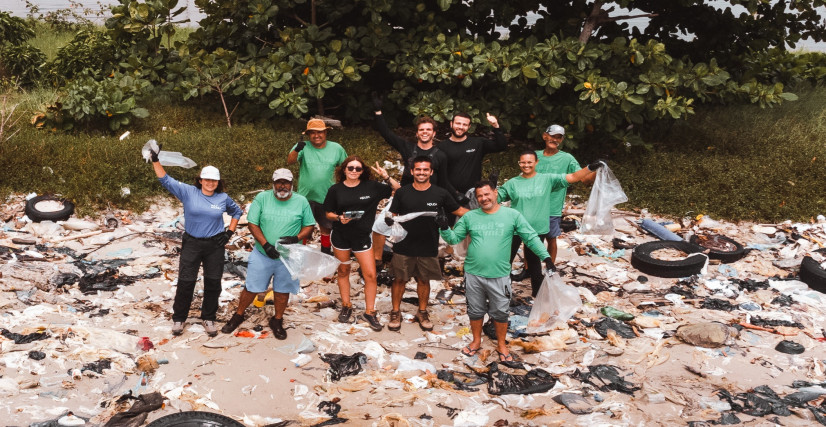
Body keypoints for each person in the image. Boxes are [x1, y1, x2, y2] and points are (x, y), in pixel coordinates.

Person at [439, 181, 550, 362]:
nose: (483, 199)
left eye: (486, 194)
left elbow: (530, 237)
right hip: (473, 274)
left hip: (499, 274)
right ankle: (476, 341)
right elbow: (454, 238)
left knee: (500, 312)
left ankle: (501, 344)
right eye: (480, 196)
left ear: (495, 193)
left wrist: (546, 258)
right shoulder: (470, 217)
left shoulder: (512, 215)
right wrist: (443, 227)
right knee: (475, 311)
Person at [148, 144, 242, 337]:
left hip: (215, 244)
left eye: (214, 180)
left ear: (218, 182)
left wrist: (229, 233)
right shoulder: (188, 192)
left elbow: (237, 212)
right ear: (200, 180)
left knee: (213, 282)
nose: (210, 183)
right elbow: (165, 180)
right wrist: (155, 160)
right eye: (207, 179)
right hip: (192, 242)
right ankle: (179, 319)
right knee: (186, 281)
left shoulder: (223, 198)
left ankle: (209, 318)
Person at [220, 169, 315, 340]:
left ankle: (277, 320)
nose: (282, 186)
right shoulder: (262, 198)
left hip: (289, 256)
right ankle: (238, 315)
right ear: (273, 183)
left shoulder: (301, 201)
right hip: (263, 253)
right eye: (279, 182)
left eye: (286, 182)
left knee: (282, 290)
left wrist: (296, 237)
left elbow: (309, 225)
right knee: (252, 287)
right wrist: (266, 244)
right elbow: (252, 223)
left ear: (292, 184)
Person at [499, 151, 604, 296]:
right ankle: (501, 291)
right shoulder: (512, 183)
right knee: (505, 261)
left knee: (534, 261)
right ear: (519, 164)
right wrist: (492, 187)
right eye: (523, 162)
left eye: (529, 162)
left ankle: (537, 294)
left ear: (536, 163)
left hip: (537, 229)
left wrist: (590, 168)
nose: (526, 165)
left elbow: (573, 177)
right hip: (516, 229)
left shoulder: (547, 179)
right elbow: (495, 199)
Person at [372, 95, 459, 268]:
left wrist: (457, 197)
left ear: (434, 133)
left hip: (430, 198)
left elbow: (444, 182)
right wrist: (378, 111)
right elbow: (386, 133)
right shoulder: (408, 148)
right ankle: (377, 261)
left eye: (428, 129)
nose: (425, 132)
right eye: (422, 130)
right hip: (404, 196)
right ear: (417, 132)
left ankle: (433, 260)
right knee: (379, 225)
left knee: (431, 231)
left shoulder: (440, 155)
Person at [385, 156, 468, 332]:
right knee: (399, 279)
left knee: (424, 279)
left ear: (430, 172)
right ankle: (395, 312)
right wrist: (391, 221)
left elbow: (460, 211)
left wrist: (486, 214)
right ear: (412, 171)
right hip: (403, 244)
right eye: (418, 169)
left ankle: (422, 312)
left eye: (425, 170)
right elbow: (392, 214)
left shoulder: (441, 193)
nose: (421, 172)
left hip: (428, 244)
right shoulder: (402, 192)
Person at [324, 156, 399, 331]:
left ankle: (370, 312)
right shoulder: (335, 190)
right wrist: (338, 218)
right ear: (344, 170)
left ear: (363, 171)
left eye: (358, 169)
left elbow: (398, 190)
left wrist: (386, 177)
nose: (354, 171)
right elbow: (328, 213)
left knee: (370, 274)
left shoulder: (372, 187)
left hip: (363, 237)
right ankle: (346, 305)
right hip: (341, 235)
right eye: (351, 168)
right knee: (344, 270)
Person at [534, 124, 595, 267]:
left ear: (561, 140)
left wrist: (596, 170)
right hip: (533, 205)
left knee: (551, 238)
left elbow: (584, 179)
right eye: (552, 136)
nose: (554, 140)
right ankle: (527, 268)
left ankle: (550, 267)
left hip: (552, 206)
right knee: (531, 239)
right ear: (544, 136)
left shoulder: (567, 158)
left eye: (558, 137)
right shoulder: (534, 155)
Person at [287, 118, 347, 255]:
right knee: (302, 228)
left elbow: (345, 168)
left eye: (320, 132)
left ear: (326, 133)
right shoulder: (302, 146)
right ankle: (299, 257)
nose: (316, 135)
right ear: (308, 135)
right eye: (312, 133)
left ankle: (325, 255)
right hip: (304, 197)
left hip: (327, 196)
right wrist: (297, 149)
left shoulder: (336, 148)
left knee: (326, 227)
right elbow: (290, 161)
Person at [438, 112, 507, 207]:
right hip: (450, 196)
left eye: (464, 124)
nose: (461, 127)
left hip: (474, 195)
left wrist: (495, 126)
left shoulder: (478, 143)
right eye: (458, 123)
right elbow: (441, 176)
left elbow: (501, 146)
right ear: (451, 124)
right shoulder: (441, 147)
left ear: (469, 126)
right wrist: (455, 193)